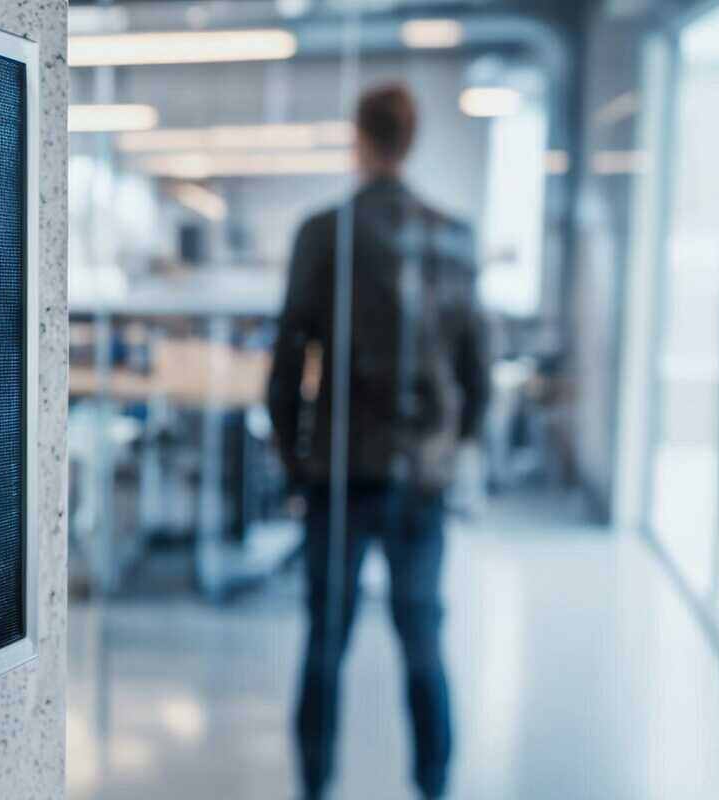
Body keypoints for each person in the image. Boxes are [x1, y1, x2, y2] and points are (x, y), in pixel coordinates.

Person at [266, 83, 490, 800]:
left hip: (339, 473)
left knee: (325, 644)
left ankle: (316, 784)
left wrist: (296, 464)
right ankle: (433, 783)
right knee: (423, 642)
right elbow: (478, 376)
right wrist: (450, 454)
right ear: (411, 139)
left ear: (358, 138)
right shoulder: (455, 238)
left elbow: (286, 365)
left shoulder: (324, 234)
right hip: (421, 479)